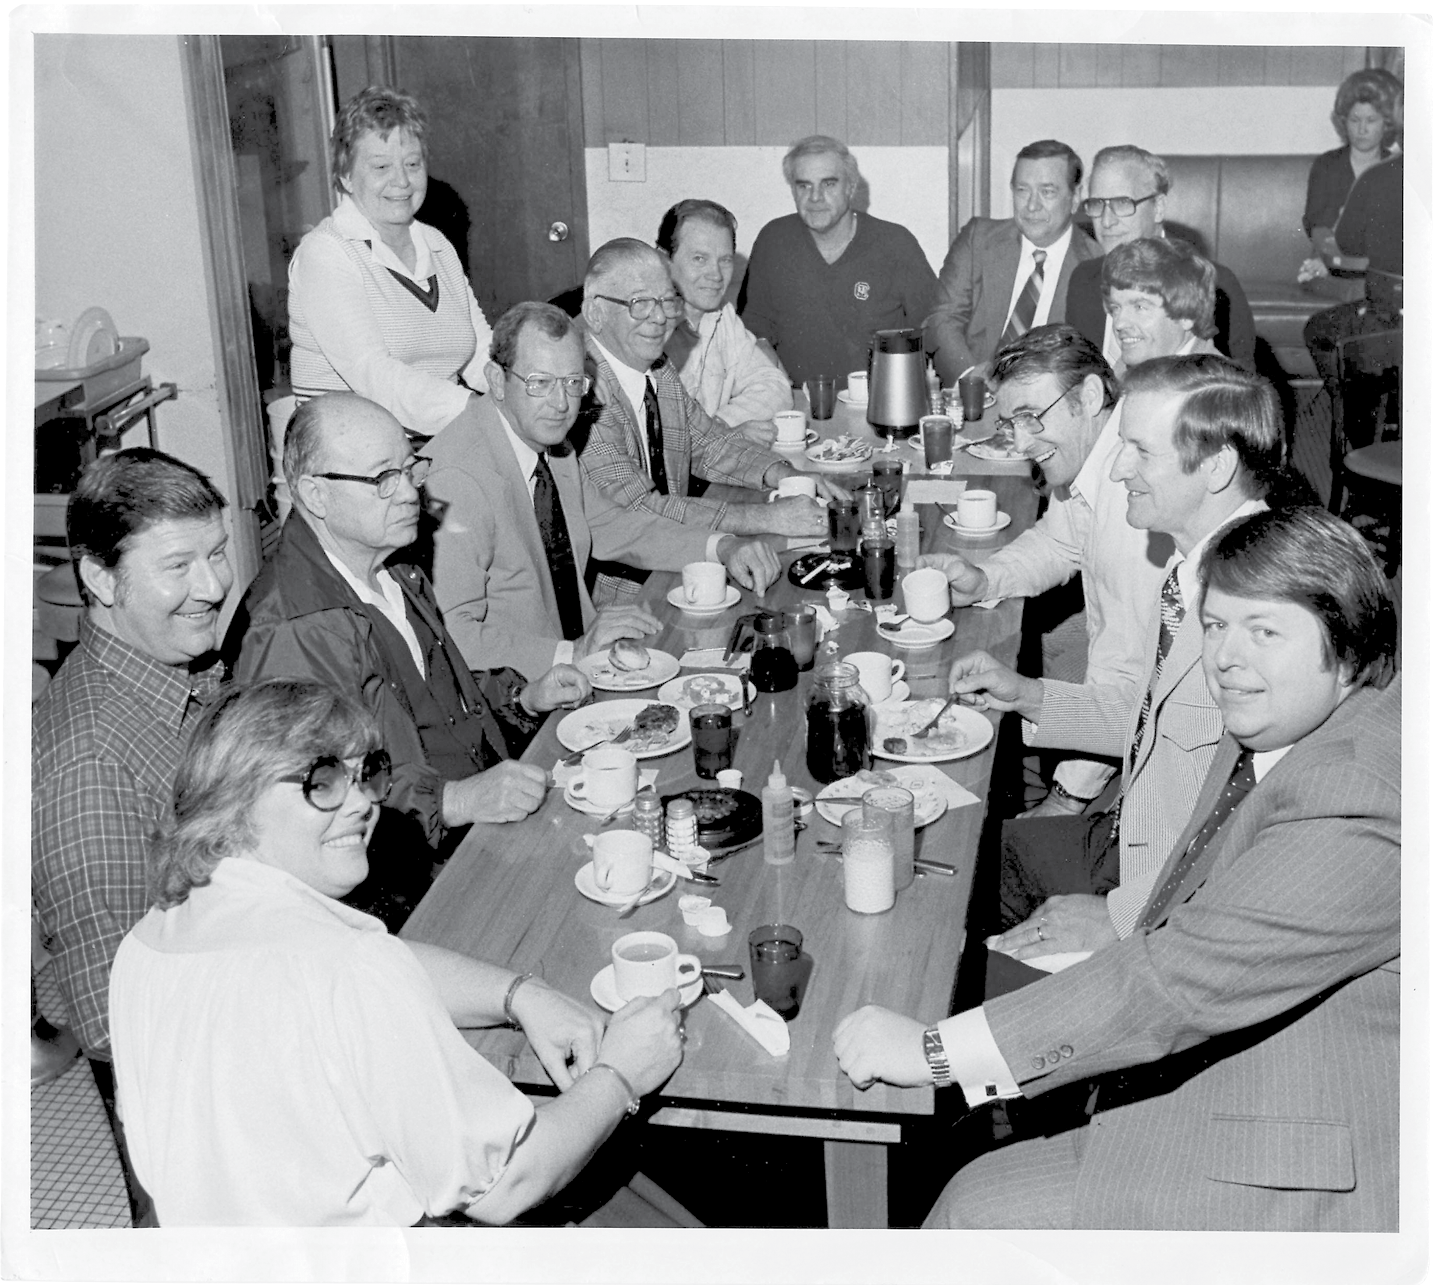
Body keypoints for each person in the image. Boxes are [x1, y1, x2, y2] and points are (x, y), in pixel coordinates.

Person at [834, 504, 1400, 1232]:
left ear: (1348, 645)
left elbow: (1176, 980)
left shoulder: (1357, 799)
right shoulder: (1290, 721)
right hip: (1237, 1044)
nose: (1225, 656)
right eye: (1217, 624)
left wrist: (934, 1051)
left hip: (1306, 1145)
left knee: (969, 1211)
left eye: (1264, 630)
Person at [110, 678, 684, 1226]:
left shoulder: (147, 947)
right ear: (236, 797)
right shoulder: (350, 970)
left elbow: (369, 962)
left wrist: (519, 994)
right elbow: (507, 1183)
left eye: (366, 776)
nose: (362, 803)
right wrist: (621, 1075)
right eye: (323, 781)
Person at [945, 355, 1286, 957]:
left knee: (945, 915)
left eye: (1140, 452)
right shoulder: (1197, 571)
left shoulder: (1252, 615)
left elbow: (1249, 817)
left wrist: (1121, 919)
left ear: (1216, 466)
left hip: (1166, 905)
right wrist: (1026, 693)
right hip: (1132, 839)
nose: (1118, 468)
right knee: (953, 863)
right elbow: (1154, 720)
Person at [225, 393, 588, 925]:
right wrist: (457, 800)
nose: (411, 492)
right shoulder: (295, 627)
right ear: (314, 494)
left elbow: (435, 703)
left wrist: (521, 697)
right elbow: (319, 799)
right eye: (381, 479)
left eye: (410, 468)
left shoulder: (391, 567)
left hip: (472, 832)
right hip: (406, 889)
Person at [32, 447, 234, 1225]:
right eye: (178, 563)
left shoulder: (174, 674)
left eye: (215, 553)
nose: (214, 586)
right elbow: (119, 1024)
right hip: (198, 1112)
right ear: (99, 577)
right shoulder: (90, 764)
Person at [425, 302, 781, 678]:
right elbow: (452, 636)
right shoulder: (457, 480)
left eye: (573, 382)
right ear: (496, 380)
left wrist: (721, 547)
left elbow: (616, 526)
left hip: (578, 667)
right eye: (540, 383)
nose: (562, 404)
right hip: (520, 694)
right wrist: (572, 652)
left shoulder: (546, 442)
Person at [918, 327, 1169, 818]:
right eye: (1013, 423)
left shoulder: (1136, 503)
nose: (1023, 442)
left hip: (1157, 759)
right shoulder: (1094, 456)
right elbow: (1058, 541)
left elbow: (1134, 681)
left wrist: (1068, 795)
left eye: (1033, 418)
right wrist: (985, 579)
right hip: (1118, 704)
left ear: (1091, 395)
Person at [579, 238, 845, 602]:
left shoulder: (657, 369)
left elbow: (710, 442)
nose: (659, 318)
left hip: (677, 561)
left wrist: (786, 474)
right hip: (620, 593)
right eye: (640, 303)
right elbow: (642, 510)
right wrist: (767, 517)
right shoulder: (585, 392)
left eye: (667, 301)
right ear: (595, 312)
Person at [287, 85, 492, 437]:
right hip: (353, 458)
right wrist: (480, 414)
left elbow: (479, 350)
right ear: (346, 176)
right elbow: (374, 375)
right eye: (381, 166)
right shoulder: (326, 253)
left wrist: (524, 388)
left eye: (412, 164)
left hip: (440, 440)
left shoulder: (436, 244)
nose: (402, 181)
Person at [737, 135, 938, 388]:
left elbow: (932, 327)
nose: (816, 197)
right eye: (804, 186)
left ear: (851, 187)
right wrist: (772, 374)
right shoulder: (773, 239)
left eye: (828, 184)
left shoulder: (895, 244)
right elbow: (753, 327)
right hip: (794, 402)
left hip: (877, 402)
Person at [924, 140, 1101, 385]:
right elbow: (941, 318)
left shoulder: (1095, 264)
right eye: (1022, 190)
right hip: (971, 396)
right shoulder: (978, 239)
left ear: (1075, 197)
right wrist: (971, 379)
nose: (1032, 205)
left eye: (1047, 192)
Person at [1064, 145, 1255, 371]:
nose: (1106, 221)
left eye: (1122, 203)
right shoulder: (1084, 279)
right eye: (1097, 204)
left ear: (1159, 208)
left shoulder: (1213, 283)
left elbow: (1238, 386)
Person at [658, 198, 792, 438]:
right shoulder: (649, 328)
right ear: (664, 261)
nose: (716, 275)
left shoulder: (722, 317)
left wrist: (721, 426)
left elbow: (775, 387)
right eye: (699, 259)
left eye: (725, 260)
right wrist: (722, 437)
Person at [1301, 68, 1401, 248]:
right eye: (1355, 120)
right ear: (1343, 121)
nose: (1362, 129)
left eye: (1371, 121)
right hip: (1332, 261)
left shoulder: (1396, 169)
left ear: (1387, 124)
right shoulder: (1326, 166)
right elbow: (1314, 224)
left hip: (1380, 264)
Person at [1097, 237, 1222, 377]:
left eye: (1140, 307)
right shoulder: (1122, 372)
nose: (1120, 323)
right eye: (1116, 308)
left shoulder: (1218, 391)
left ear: (1187, 316)